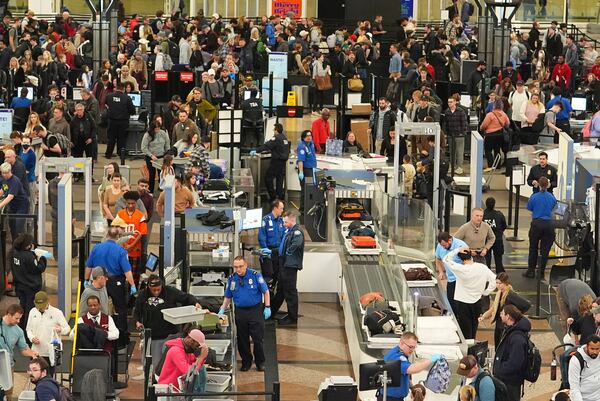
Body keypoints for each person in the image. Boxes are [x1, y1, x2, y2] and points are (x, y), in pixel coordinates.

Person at [134, 275, 201, 368]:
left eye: (158, 289)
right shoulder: (143, 295)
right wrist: (137, 321)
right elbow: (137, 311)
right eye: (154, 290)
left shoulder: (170, 291)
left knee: (168, 363)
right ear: (148, 287)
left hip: (170, 335)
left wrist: (196, 303)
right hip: (152, 336)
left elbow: (186, 297)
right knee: (154, 364)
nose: (156, 292)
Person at [85, 227, 137, 347]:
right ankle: (121, 339)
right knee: (120, 309)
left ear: (107, 235)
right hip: (115, 282)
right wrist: (133, 285)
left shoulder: (97, 248)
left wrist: (86, 280)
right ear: (118, 238)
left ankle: (96, 334)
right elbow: (127, 271)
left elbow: (88, 266)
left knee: (97, 307)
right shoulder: (121, 250)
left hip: (98, 281)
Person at [218, 256, 270, 371]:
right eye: (236, 267)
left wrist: (267, 307)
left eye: (241, 266)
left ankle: (260, 362)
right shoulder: (232, 279)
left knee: (258, 339)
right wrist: (222, 309)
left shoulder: (255, 275)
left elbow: (266, 291)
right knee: (242, 339)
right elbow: (228, 296)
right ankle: (246, 362)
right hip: (240, 312)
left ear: (246, 265)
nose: (238, 269)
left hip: (255, 310)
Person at [443, 247, 497, 339]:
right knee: (474, 325)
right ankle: (473, 342)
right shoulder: (482, 267)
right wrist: (485, 292)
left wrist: (457, 250)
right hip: (477, 301)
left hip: (462, 302)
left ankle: (468, 347)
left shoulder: (460, 269)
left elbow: (446, 259)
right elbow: (494, 280)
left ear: (461, 259)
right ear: (471, 256)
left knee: (465, 328)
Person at [379, 332, 441, 401]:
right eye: (410, 347)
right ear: (402, 343)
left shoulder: (402, 354)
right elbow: (411, 369)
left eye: (414, 347)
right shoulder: (396, 357)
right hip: (389, 398)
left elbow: (403, 375)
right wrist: (431, 360)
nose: (412, 350)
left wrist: (412, 387)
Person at [480, 272, 531, 347]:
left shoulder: (510, 295)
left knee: (503, 347)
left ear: (506, 283)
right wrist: (484, 316)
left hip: (506, 326)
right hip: (499, 324)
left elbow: (526, 305)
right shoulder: (499, 293)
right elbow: (494, 308)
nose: (498, 285)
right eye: (496, 283)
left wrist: (515, 316)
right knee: (498, 346)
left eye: (500, 283)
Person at [271, 211, 304, 325]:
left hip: (289, 266)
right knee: (281, 290)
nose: (284, 224)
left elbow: (296, 245)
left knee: (290, 292)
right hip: (284, 264)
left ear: (292, 220)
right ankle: (270, 312)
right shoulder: (289, 231)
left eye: (285, 221)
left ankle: (292, 318)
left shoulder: (297, 232)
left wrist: (287, 254)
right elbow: (283, 247)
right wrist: (272, 252)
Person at [26, 291, 70, 376]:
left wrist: (60, 329)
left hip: (50, 353)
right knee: (35, 377)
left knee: (48, 377)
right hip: (36, 352)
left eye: (42, 306)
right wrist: (32, 338)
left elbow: (67, 329)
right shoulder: (32, 312)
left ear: (47, 302)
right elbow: (28, 329)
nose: (40, 308)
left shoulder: (57, 312)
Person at [493, 304, 532, 401]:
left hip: (510, 383)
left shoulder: (517, 338)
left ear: (508, 316)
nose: (500, 315)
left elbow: (515, 363)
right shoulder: (510, 331)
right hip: (507, 381)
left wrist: (499, 370)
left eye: (502, 313)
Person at [0, 304, 40, 398]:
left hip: (7, 365)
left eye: (20, 318)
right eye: (16, 318)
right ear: (9, 315)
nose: (18, 321)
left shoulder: (19, 331)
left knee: (8, 392)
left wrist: (32, 353)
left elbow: (24, 349)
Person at [11, 233, 47, 332]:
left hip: (20, 286)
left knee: (22, 309)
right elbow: (38, 268)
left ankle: (21, 329)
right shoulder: (28, 256)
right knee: (30, 311)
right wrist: (42, 258)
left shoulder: (14, 253)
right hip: (30, 288)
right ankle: (28, 332)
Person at [524, 176, 557, 278]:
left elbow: (530, 209)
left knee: (533, 248)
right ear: (547, 185)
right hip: (549, 225)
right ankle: (541, 272)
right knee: (545, 250)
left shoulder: (533, 197)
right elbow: (554, 210)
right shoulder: (552, 197)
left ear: (538, 184)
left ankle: (531, 271)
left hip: (537, 224)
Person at [251, 123, 290, 202]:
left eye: (274, 129)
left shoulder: (276, 138)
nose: (273, 131)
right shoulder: (284, 138)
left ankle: (273, 197)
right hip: (283, 162)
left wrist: (256, 150)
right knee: (279, 179)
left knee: (268, 178)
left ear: (276, 130)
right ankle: (279, 197)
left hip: (276, 162)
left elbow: (267, 146)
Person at [116, 191, 147, 285]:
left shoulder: (140, 215)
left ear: (136, 203)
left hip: (135, 251)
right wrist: (125, 245)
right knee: (121, 276)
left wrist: (131, 246)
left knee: (134, 278)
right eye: (128, 203)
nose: (130, 205)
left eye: (132, 203)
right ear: (125, 203)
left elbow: (141, 233)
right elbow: (118, 231)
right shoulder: (120, 214)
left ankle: (133, 296)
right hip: (121, 250)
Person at [435, 232, 468, 313]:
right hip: (450, 280)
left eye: (444, 245)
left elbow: (467, 263)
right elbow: (438, 259)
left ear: (450, 240)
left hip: (460, 279)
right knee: (451, 302)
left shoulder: (461, 246)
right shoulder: (440, 246)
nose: (443, 247)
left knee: (460, 305)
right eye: (441, 245)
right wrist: (441, 272)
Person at [257, 199, 285, 284]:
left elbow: (284, 237)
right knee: (268, 277)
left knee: (278, 276)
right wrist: (266, 252)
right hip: (268, 253)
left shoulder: (281, 221)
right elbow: (261, 237)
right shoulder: (265, 220)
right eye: (281, 208)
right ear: (275, 208)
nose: (282, 210)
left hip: (278, 253)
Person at [104, 82, 135, 158]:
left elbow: (106, 105)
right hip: (123, 121)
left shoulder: (109, 96)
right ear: (123, 89)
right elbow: (132, 110)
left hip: (112, 121)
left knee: (111, 138)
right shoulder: (127, 98)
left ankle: (108, 154)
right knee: (122, 139)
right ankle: (121, 154)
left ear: (116, 88)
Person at [0, 162, 29, 237]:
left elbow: (10, 197)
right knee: (12, 226)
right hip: (12, 205)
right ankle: (14, 246)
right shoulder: (3, 178)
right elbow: (3, 190)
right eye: (3, 173)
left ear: (10, 171)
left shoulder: (15, 181)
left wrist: (0, 206)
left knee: (18, 227)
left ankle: (23, 245)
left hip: (21, 205)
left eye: (6, 173)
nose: (5, 175)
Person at [141, 120, 170, 194]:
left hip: (161, 157)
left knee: (162, 174)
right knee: (152, 174)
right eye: (156, 128)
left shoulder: (163, 133)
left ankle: (162, 190)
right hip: (151, 158)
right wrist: (151, 155)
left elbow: (167, 144)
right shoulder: (147, 135)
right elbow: (143, 148)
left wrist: (167, 154)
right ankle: (150, 191)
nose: (157, 130)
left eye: (159, 128)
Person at [480, 100, 510, 171]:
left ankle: (491, 166)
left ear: (494, 106)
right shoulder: (504, 114)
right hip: (500, 135)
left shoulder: (490, 114)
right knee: (497, 150)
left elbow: (484, 125)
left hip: (490, 135)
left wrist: (481, 128)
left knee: (488, 150)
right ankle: (498, 165)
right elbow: (507, 123)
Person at [568, 334, 600, 401]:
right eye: (592, 349)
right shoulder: (576, 360)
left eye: (597, 349)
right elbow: (574, 387)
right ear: (587, 346)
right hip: (582, 398)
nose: (595, 352)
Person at [443, 94, 468, 174]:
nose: (449, 103)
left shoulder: (460, 111)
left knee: (459, 152)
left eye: (451, 102)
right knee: (452, 152)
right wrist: (446, 134)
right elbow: (445, 124)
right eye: (448, 102)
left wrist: (462, 132)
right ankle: (452, 166)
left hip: (459, 135)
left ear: (455, 102)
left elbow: (464, 123)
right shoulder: (447, 112)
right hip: (451, 135)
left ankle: (459, 167)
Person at [483, 197, 507, 272]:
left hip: (486, 240)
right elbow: (504, 226)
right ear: (494, 205)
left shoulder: (482, 215)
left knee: (487, 259)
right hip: (498, 239)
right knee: (498, 259)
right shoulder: (499, 214)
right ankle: (500, 275)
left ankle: (487, 274)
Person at [296, 130, 317, 214]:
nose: (309, 137)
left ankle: (309, 207)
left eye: (310, 135)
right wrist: (301, 172)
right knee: (305, 190)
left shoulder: (311, 144)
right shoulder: (302, 146)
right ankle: (302, 209)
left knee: (310, 190)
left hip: (311, 169)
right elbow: (300, 160)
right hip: (305, 170)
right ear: (303, 137)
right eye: (307, 136)